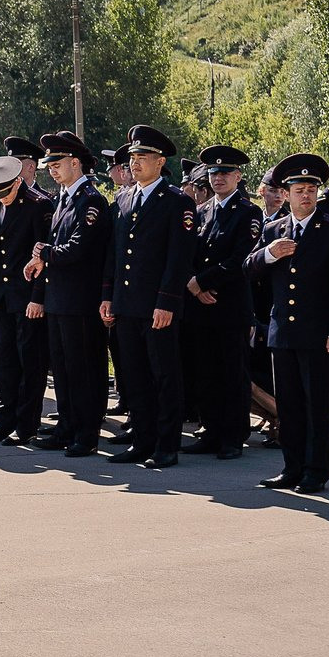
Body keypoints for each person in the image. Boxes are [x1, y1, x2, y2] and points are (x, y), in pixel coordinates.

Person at [247, 154, 329, 493]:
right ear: (286, 194)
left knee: (316, 406)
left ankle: (316, 470)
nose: (305, 195)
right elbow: (248, 269)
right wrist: (268, 254)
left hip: (319, 333)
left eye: (310, 189)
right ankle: (291, 467)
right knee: (289, 405)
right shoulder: (274, 229)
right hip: (283, 332)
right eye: (298, 190)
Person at [101, 125, 199, 467]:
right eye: (133, 157)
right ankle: (142, 440)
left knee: (164, 375)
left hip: (157, 305)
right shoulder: (125, 198)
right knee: (134, 374)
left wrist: (167, 301)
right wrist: (108, 295)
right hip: (127, 305)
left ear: (160, 161)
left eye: (143, 157)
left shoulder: (177, 202)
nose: (135, 163)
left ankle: (166, 445)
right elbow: (115, 252)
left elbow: (178, 258)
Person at [28, 131, 111, 456]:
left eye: (57, 162)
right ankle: (67, 425)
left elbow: (78, 249)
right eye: (49, 163)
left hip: (80, 300)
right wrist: (41, 260)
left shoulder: (90, 200)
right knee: (61, 369)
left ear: (75, 163)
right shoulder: (63, 198)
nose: (52, 168)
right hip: (59, 298)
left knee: (83, 369)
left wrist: (44, 253)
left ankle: (86, 432)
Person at [184, 145, 262, 459]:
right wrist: (194, 285)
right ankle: (210, 429)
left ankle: (233, 435)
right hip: (201, 306)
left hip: (230, 307)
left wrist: (202, 281)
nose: (218, 178)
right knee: (205, 371)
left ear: (238, 176)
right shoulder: (202, 211)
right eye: (214, 173)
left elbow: (240, 258)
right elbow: (188, 253)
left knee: (232, 373)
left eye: (225, 172)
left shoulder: (248, 212)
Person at [0, 152, 49, 443]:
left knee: (29, 361)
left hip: (27, 295)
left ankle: (26, 424)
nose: (1, 198)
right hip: (3, 295)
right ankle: (5, 419)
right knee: (2, 357)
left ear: (18, 181)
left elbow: (43, 253)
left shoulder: (38, 206)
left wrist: (38, 296)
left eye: (5, 192)